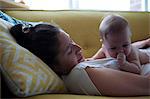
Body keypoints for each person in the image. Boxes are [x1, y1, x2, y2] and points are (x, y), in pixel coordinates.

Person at [1, 11, 149, 96]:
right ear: (55, 66)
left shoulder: (82, 65)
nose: (78, 48)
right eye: (69, 50)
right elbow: (146, 85)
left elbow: (125, 49)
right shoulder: (80, 74)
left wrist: (142, 44)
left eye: (72, 41)